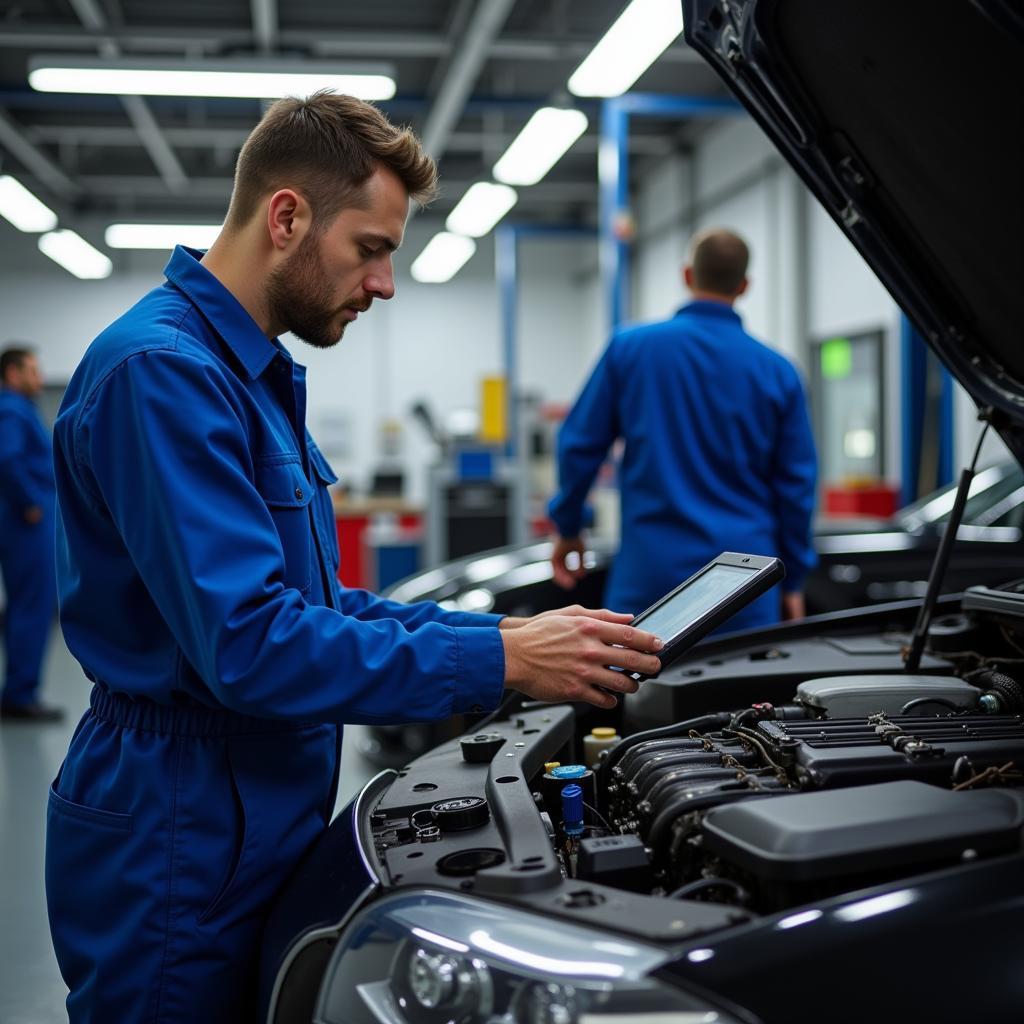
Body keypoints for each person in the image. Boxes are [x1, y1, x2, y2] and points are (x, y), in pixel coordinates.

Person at [44, 91, 664, 1023]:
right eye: (370, 248)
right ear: (287, 216)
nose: (384, 284)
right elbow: (251, 642)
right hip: (179, 829)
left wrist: (511, 635)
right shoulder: (163, 375)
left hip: (243, 808)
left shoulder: (245, 376)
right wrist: (498, 661)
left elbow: (321, 606)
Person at [549, 228, 817, 631]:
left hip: (651, 581)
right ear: (744, 286)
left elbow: (579, 445)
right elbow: (796, 487)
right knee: (746, 695)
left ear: (687, 275)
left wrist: (570, 526)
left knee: (639, 687)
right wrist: (792, 578)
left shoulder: (630, 348)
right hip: (746, 587)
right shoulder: (778, 371)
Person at [0, 346, 62, 721]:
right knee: (32, 607)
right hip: (25, 522)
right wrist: (31, 502)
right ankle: (21, 696)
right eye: (32, 371)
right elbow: (7, 459)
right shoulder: (11, 408)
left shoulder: (16, 409)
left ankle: (19, 690)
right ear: (12, 373)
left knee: (28, 605)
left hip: (24, 520)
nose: (39, 378)